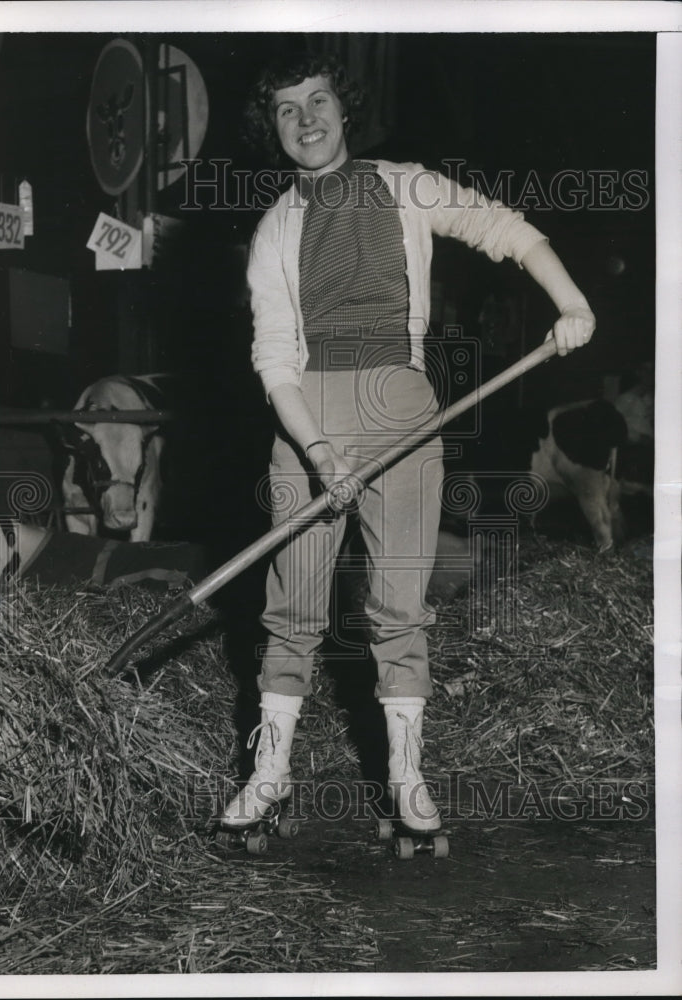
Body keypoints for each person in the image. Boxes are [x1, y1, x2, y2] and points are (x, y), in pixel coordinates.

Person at [219, 54, 595, 833]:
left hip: (401, 406)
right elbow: (274, 358)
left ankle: (405, 776)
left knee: (399, 605)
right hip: (307, 420)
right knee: (292, 606)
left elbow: (503, 229)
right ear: (274, 130)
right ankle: (272, 769)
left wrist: (571, 302)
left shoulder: (406, 183)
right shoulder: (273, 230)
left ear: (344, 110)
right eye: (287, 110)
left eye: (318, 100)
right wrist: (320, 452)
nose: (307, 119)